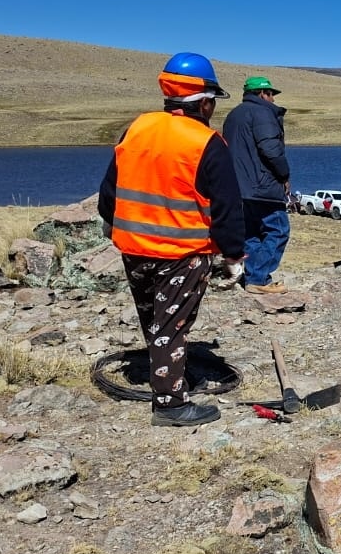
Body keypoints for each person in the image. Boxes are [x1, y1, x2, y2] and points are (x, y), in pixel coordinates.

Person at [98, 52, 245, 427]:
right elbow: (227, 207)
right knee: (172, 326)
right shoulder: (206, 142)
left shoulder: (138, 128)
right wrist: (233, 256)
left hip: (133, 248)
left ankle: (166, 374)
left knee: (153, 320)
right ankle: (170, 403)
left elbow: (109, 193)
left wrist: (114, 226)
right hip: (182, 253)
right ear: (206, 101)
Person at [222, 75, 291, 294]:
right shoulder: (263, 113)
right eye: (271, 94)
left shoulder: (233, 115)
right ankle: (259, 279)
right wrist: (284, 176)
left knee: (251, 232)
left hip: (238, 186)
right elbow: (271, 150)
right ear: (263, 93)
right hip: (262, 185)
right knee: (278, 229)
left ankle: (252, 276)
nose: (273, 100)